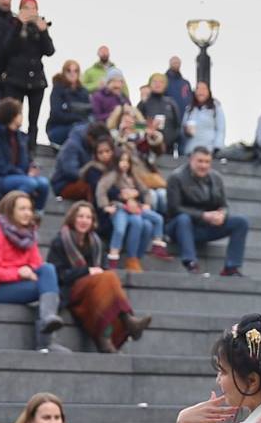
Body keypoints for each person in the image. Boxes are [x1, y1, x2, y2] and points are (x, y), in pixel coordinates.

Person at [48, 201, 152, 352]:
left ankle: (105, 340)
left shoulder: (97, 243)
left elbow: (103, 268)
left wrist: (95, 274)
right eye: (80, 217)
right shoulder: (60, 241)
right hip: (70, 289)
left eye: (88, 218)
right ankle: (127, 320)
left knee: (106, 283)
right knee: (108, 278)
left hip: (94, 289)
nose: (84, 221)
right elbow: (58, 275)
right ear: (72, 218)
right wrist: (87, 271)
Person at [0, 190, 67, 349]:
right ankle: (46, 342)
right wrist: (19, 273)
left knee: (48, 270)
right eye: (22, 209)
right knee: (49, 288)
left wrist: (30, 272)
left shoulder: (29, 236)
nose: (28, 213)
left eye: (29, 209)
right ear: (10, 210)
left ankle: (48, 320)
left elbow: (37, 265)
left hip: (20, 284)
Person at [167, 145, 249, 277]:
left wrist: (222, 214)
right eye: (200, 161)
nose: (204, 166)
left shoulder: (216, 178)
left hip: (206, 226)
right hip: (179, 227)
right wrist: (203, 216)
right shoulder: (176, 178)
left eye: (207, 162)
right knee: (183, 219)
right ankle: (190, 262)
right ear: (191, 160)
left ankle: (231, 267)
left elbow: (224, 205)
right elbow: (174, 208)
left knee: (241, 222)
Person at [0, 99, 49, 212]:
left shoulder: (20, 137)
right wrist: (21, 173)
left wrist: (31, 168)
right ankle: (12, 215)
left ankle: (35, 218)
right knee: (29, 183)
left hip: (17, 175)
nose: (22, 117)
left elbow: (25, 160)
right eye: (20, 113)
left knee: (43, 184)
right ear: (12, 116)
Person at [96, 146, 165, 270]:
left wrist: (146, 203)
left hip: (136, 208)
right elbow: (101, 189)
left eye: (127, 161)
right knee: (122, 228)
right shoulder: (113, 175)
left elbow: (145, 191)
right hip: (120, 208)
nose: (125, 164)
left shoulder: (133, 176)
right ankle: (114, 256)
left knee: (156, 219)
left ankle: (156, 243)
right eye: (122, 161)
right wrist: (105, 206)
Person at [0, 0, 54, 140]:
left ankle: (31, 149)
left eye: (33, 8)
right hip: (15, 79)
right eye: (26, 8)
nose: (30, 12)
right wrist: (18, 25)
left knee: (33, 121)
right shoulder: (12, 24)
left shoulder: (40, 27)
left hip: (36, 81)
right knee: (14, 118)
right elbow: (7, 48)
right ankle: (12, 146)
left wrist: (44, 32)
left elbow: (49, 51)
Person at [47, 60, 93, 152]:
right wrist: (77, 118)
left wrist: (69, 109)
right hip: (58, 129)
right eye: (69, 70)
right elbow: (56, 113)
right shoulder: (58, 89)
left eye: (75, 71)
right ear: (64, 72)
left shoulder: (84, 92)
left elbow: (89, 112)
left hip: (82, 128)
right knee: (79, 130)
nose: (72, 73)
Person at [137, 71, 183, 154]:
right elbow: (136, 125)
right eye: (154, 81)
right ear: (149, 84)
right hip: (147, 149)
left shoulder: (171, 103)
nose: (158, 84)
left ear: (165, 85)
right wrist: (148, 128)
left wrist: (169, 140)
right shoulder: (144, 103)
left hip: (168, 149)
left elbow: (178, 126)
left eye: (161, 82)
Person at [179, 80, 224, 158]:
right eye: (198, 89)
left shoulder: (215, 108)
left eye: (203, 89)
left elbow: (221, 129)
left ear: (208, 92)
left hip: (208, 151)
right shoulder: (189, 109)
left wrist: (217, 148)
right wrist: (186, 131)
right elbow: (182, 131)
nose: (200, 92)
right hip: (191, 151)